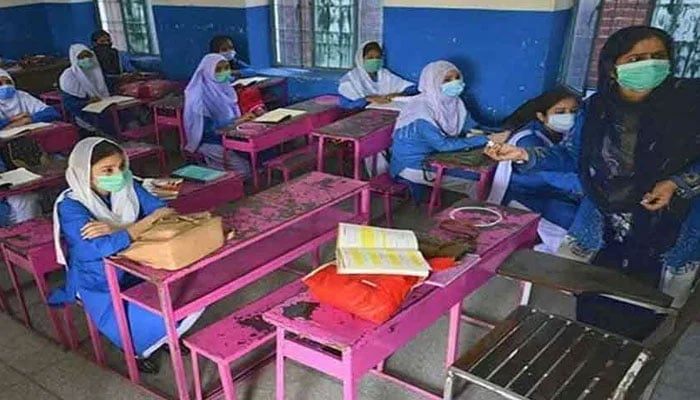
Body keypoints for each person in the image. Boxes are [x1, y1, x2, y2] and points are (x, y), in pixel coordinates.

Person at [485, 26, 700, 340]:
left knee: (651, 301)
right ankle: (594, 343)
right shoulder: (596, 108)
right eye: (636, 58)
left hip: (670, 221)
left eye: (658, 57)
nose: (649, 65)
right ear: (614, 66)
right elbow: (573, 156)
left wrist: (676, 183)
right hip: (603, 217)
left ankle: (632, 349)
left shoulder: (688, 105)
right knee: (593, 295)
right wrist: (524, 154)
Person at [48, 138, 203, 373]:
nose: (118, 174)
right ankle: (138, 350)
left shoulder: (129, 185)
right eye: (107, 170)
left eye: (121, 166)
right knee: (128, 319)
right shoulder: (70, 206)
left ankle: (164, 337)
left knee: (184, 293)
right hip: (97, 278)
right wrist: (139, 226)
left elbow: (163, 211)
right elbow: (101, 248)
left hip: (138, 260)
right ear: (85, 173)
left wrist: (118, 230)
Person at [390, 60, 507, 199]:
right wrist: (486, 139)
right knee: (477, 182)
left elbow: (472, 126)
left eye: (457, 78)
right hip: (412, 165)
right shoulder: (421, 111)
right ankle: (478, 217)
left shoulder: (454, 102)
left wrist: (496, 132)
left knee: (490, 167)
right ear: (433, 82)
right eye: (447, 80)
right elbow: (444, 145)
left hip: (434, 155)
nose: (455, 83)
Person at [486, 86, 583, 253]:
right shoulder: (528, 140)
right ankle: (544, 258)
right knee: (572, 223)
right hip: (523, 199)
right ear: (541, 116)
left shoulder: (562, 135)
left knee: (584, 213)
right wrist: (589, 186)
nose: (569, 116)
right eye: (560, 112)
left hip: (547, 193)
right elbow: (552, 177)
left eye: (573, 111)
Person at [0, 68, 59, 224]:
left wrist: (29, 119)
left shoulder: (22, 96)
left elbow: (51, 112)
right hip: (5, 159)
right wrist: (15, 120)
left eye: (8, 82)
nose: (5, 87)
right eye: (0, 83)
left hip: (31, 149)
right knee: (23, 200)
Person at [183, 54, 255, 177]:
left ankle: (214, 168)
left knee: (256, 157)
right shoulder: (198, 98)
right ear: (208, 71)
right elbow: (208, 130)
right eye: (218, 69)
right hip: (209, 142)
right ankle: (207, 170)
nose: (224, 72)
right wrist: (237, 121)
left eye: (226, 68)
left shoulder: (225, 88)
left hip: (230, 136)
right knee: (244, 171)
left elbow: (233, 113)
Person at [338, 41, 417, 110]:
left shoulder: (385, 75)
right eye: (370, 57)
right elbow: (345, 105)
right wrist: (368, 99)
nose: (374, 60)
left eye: (378, 57)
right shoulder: (350, 80)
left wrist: (398, 94)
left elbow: (412, 88)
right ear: (361, 59)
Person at [209, 35, 266, 115]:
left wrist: (235, 72)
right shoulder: (211, 65)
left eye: (231, 48)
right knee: (245, 94)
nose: (229, 51)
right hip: (222, 93)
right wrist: (230, 77)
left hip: (235, 88)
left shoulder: (233, 61)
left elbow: (252, 71)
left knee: (252, 91)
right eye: (224, 49)